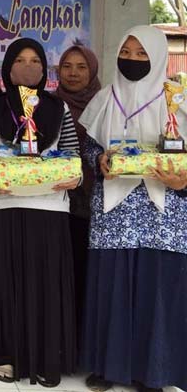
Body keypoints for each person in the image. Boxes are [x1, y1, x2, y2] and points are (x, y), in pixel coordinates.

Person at [78, 26, 187, 392]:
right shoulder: (105, 98)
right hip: (114, 208)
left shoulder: (178, 100)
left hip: (164, 211)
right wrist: (99, 162)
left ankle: (154, 372)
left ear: (158, 57)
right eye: (126, 52)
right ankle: (108, 368)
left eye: (142, 54)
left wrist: (183, 181)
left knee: (157, 287)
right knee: (113, 284)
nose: (133, 59)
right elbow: (89, 148)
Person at [0, 37, 80, 386]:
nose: (28, 67)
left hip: (49, 206)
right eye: (20, 60)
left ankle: (47, 355)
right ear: (7, 67)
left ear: (45, 70)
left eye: (35, 61)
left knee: (45, 284)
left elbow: (73, 155)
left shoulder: (58, 109)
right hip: (3, 205)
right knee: (5, 283)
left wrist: (74, 177)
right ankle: (5, 353)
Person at [53, 42, 101, 332]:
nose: (73, 73)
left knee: (89, 271)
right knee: (61, 271)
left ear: (92, 70)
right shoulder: (47, 104)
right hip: (57, 201)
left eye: (81, 67)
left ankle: (86, 335)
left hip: (97, 203)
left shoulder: (106, 104)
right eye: (67, 67)